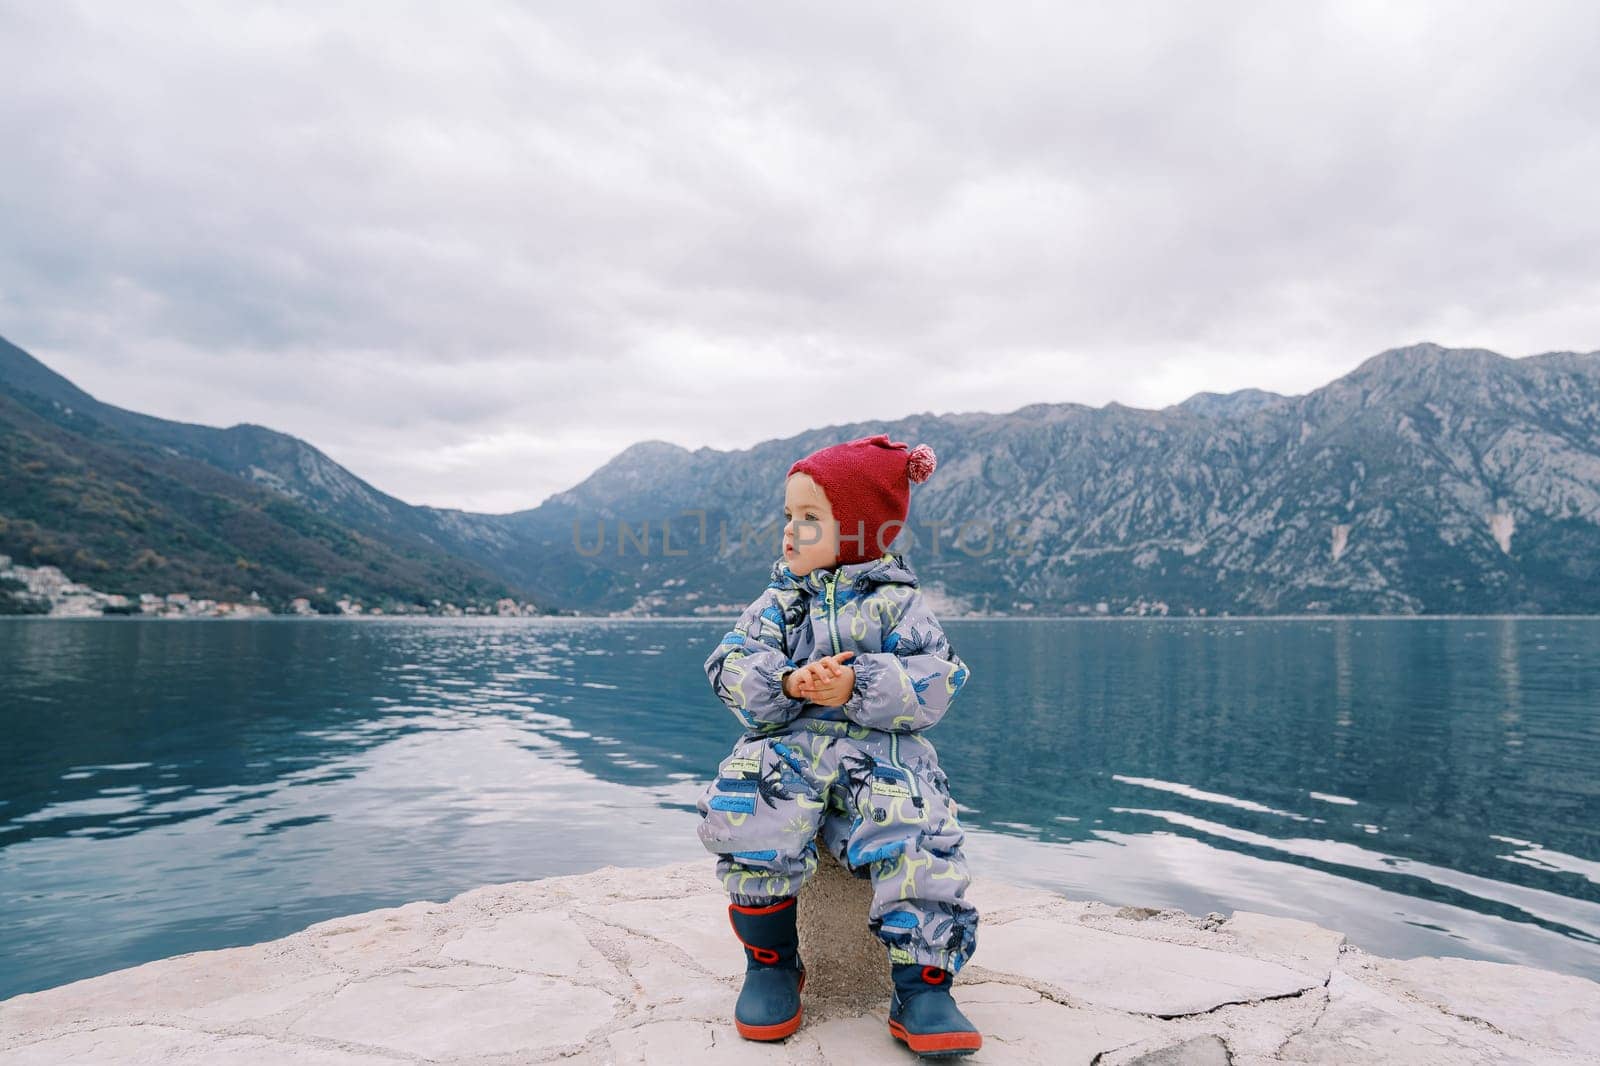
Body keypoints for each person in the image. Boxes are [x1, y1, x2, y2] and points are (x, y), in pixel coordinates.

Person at [696, 432, 982, 1057]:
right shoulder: (778, 604)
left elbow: (939, 682)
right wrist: (788, 681)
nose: (789, 532)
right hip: (789, 748)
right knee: (749, 808)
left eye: (809, 518)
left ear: (856, 531)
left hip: (881, 754)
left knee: (916, 824)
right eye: (788, 517)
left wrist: (860, 682)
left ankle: (923, 981)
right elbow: (729, 665)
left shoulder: (899, 606)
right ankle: (771, 961)